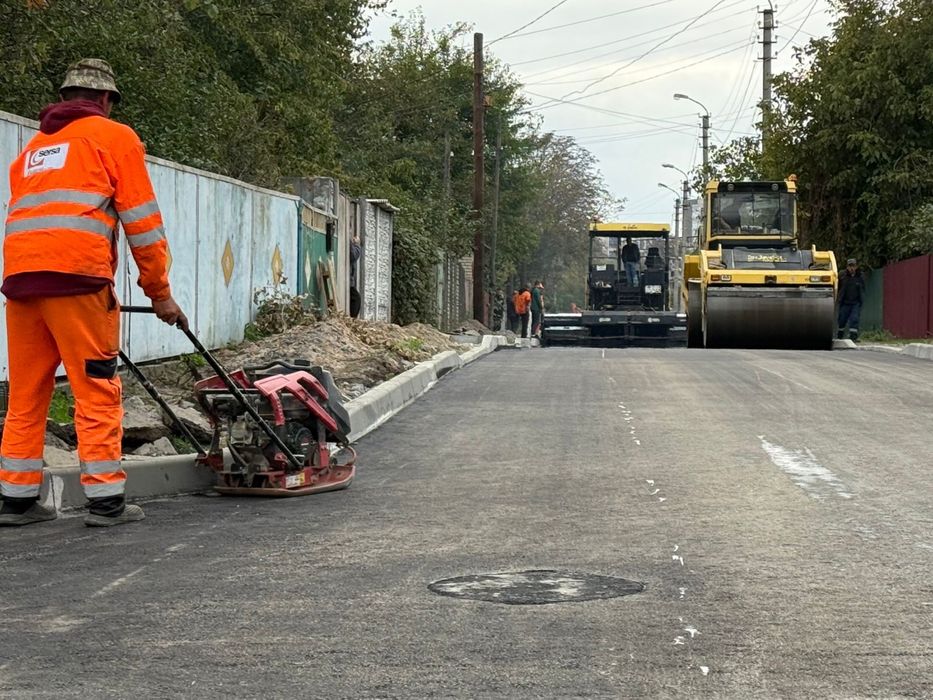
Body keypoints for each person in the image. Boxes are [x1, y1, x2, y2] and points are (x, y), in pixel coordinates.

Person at [0, 59, 186, 528]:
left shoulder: (32, 152)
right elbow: (142, 225)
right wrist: (159, 292)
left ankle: (16, 500)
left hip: (21, 285)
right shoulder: (115, 137)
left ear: (63, 100)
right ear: (105, 101)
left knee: (25, 394)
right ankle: (106, 503)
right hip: (79, 283)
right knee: (96, 388)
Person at [837, 258, 865, 341]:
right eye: (850, 266)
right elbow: (839, 287)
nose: (852, 268)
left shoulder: (860, 276)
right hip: (844, 302)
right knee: (842, 319)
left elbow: (863, 288)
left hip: (855, 302)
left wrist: (861, 300)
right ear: (847, 267)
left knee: (854, 319)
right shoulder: (842, 275)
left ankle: (853, 337)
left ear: (856, 266)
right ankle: (840, 335)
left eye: (853, 266)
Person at [349, 234, 362, 318]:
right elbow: (353, 256)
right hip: (348, 279)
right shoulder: (349, 243)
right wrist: (356, 244)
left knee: (356, 298)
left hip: (349, 278)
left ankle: (352, 318)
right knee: (356, 298)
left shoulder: (350, 243)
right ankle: (352, 319)